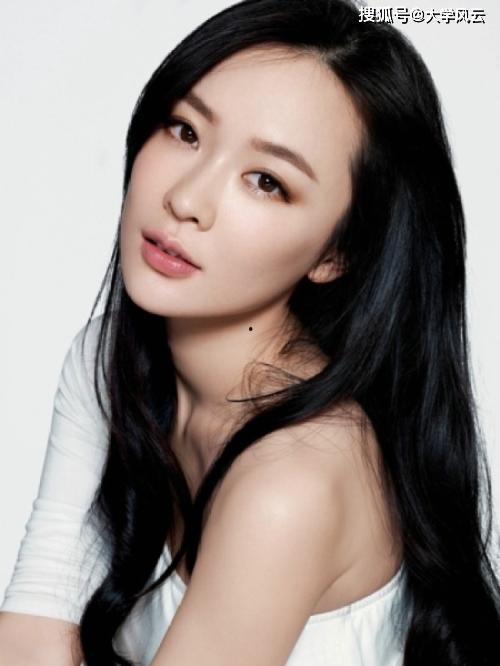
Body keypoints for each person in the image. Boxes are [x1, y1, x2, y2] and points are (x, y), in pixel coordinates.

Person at [1, 0, 499, 664]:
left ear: (336, 254)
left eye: (267, 181)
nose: (186, 199)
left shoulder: (291, 481)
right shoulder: (109, 360)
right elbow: (36, 629)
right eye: (185, 130)